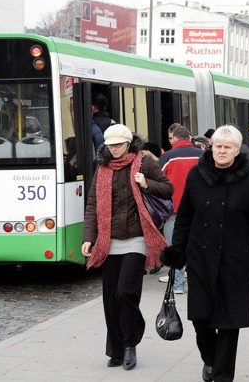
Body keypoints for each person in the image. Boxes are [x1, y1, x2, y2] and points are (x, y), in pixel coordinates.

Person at [160, 125, 249, 382]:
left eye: (228, 147)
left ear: (237, 151)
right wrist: (177, 251)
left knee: (229, 322)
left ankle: (223, 375)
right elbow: (183, 218)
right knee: (200, 317)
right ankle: (211, 359)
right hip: (200, 259)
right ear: (211, 147)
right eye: (218, 146)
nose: (222, 151)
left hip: (234, 261)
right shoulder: (196, 175)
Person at [81, 124, 173, 371]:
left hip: (137, 239)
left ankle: (131, 343)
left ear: (129, 143)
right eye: (110, 145)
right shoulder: (102, 168)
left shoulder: (144, 163)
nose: (114, 149)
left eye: (118, 145)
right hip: (108, 242)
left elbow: (168, 189)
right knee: (111, 299)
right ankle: (116, 350)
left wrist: (146, 184)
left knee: (125, 293)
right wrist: (88, 237)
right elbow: (92, 205)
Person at [157, 124, 203, 293]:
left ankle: (178, 285)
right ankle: (198, 283)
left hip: (174, 210)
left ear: (175, 138)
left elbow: (157, 180)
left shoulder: (168, 157)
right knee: (197, 246)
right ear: (189, 138)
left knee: (175, 246)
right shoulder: (202, 155)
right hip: (198, 209)